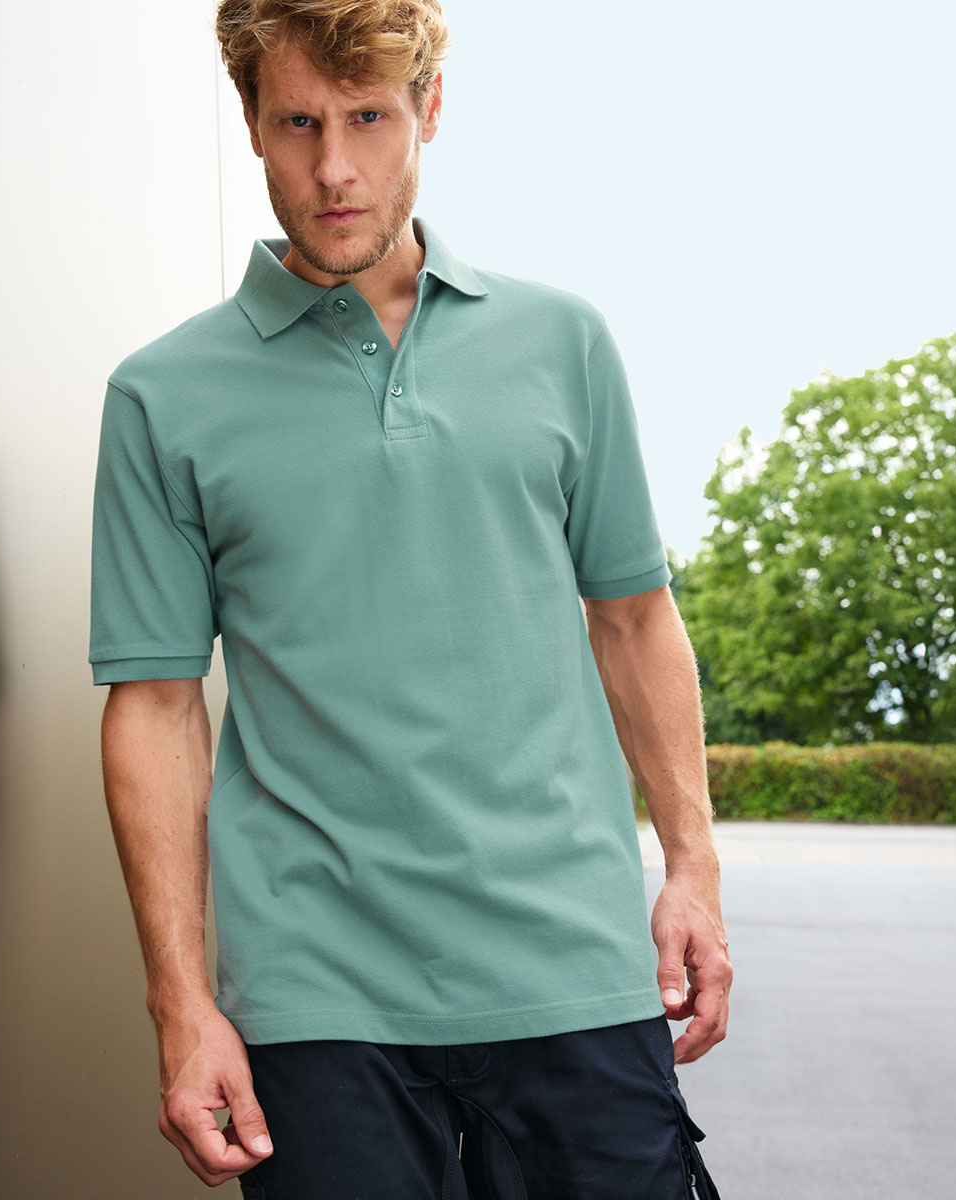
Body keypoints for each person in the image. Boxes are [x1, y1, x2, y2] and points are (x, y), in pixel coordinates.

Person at [89, 1, 732, 1195]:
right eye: (299, 123)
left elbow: (635, 618)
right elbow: (156, 704)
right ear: (252, 123)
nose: (335, 169)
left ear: (430, 109)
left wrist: (693, 865)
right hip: (316, 997)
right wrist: (179, 1002)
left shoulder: (563, 344)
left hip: (570, 962)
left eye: (370, 118)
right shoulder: (162, 398)